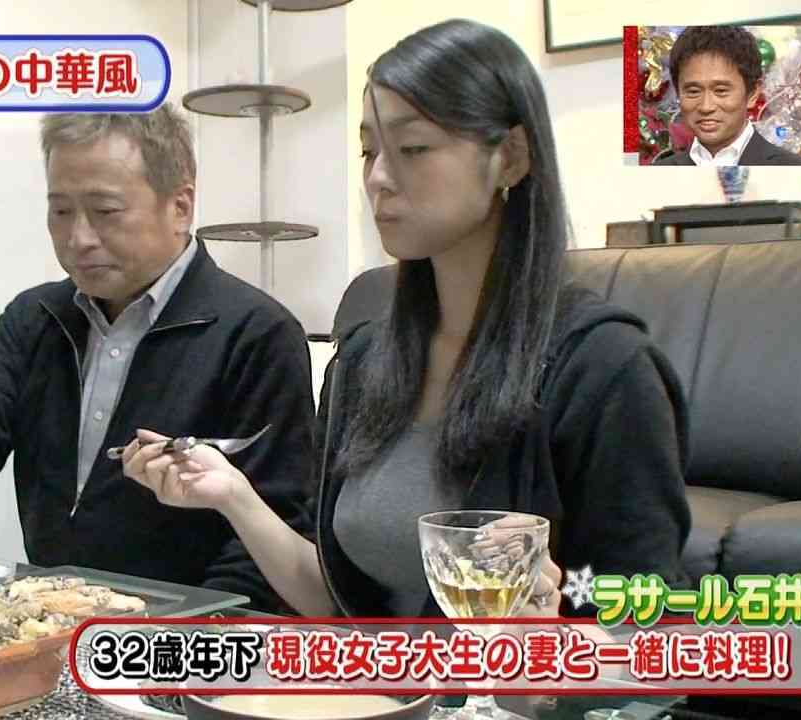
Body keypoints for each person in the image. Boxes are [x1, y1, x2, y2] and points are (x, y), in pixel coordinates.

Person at [124, 20, 691, 620]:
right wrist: (233, 495)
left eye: (413, 149)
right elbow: (340, 601)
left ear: (511, 157)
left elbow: (649, 638)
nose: (377, 178)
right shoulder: (364, 360)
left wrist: (548, 635)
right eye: (369, 151)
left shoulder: (604, 368)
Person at [0, 103, 316, 611]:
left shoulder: (256, 334)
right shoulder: (37, 317)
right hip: (48, 620)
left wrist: (170, 638)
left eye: (106, 211)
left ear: (180, 206)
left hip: (182, 635)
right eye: (60, 211)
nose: (78, 238)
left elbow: (271, 536)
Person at [652, 25, 801, 166]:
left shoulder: (796, 171)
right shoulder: (657, 175)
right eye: (693, 91)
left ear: (752, 93)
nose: (706, 107)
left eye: (721, 91)